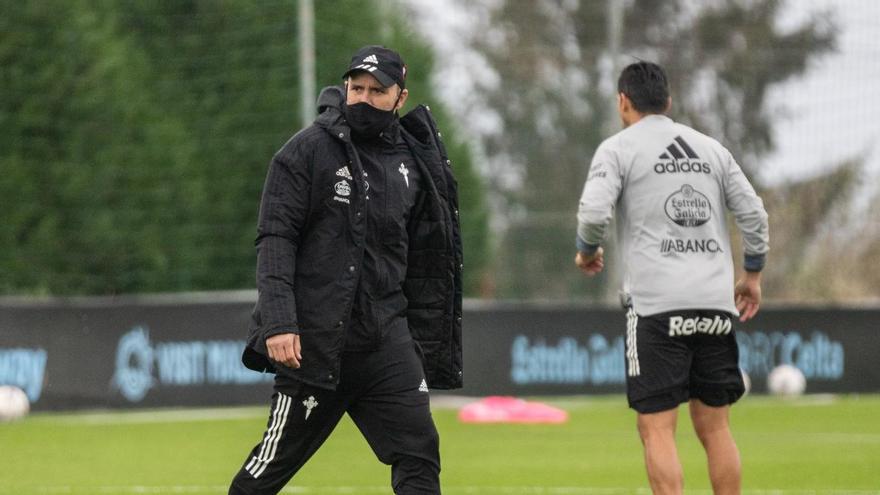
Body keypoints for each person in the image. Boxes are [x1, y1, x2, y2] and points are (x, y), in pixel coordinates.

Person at [229, 45, 463, 495]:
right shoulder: (305, 152)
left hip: (386, 344)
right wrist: (279, 322)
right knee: (266, 473)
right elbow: (276, 239)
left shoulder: (414, 162)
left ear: (400, 96)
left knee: (419, 455)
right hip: (315, 345)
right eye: (357, 88)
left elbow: (426, 259)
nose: (364, 98)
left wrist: (419, 337)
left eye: (378, 91)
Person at [574, 61, 769, 495]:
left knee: (657, 428)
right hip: (716, 305)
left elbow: (592, 215)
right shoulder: (711, 149)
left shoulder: (619, 148)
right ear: (668, 102)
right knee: (716, 429)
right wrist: (752, 275)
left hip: (656, 306)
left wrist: (587, 252)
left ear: (623, 102)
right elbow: (754, 213)